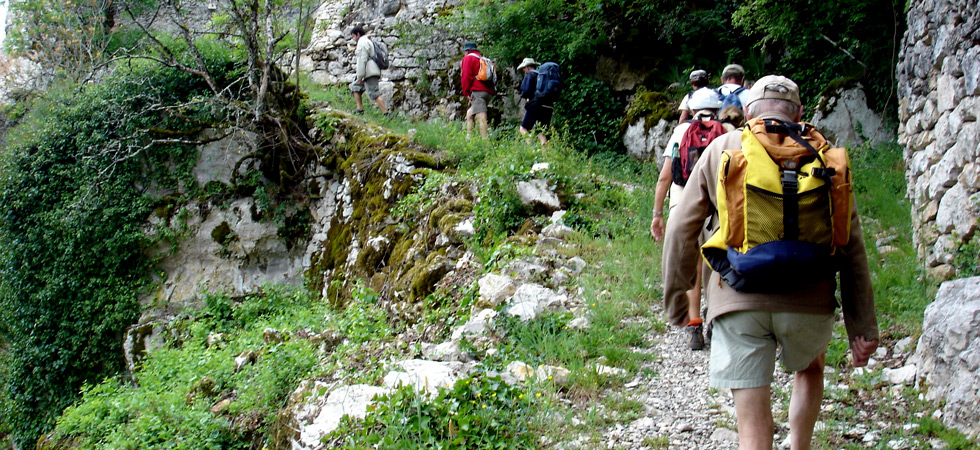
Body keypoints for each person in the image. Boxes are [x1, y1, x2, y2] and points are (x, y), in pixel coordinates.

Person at [662, 75, 879, 450]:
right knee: (810, 368)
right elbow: (852, 244)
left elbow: (682, 227)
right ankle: (800, 445)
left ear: (748, 112)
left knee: (751, 422)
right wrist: (863, 326)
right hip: (810, 297)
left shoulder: (723, 147)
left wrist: (677, 301)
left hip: (738, 296)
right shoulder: (824, 154)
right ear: (800, 112)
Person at [651, 87, 734, 350]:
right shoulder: (728, 132)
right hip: (717, 206)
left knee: (691, 265)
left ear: (693, 108)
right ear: (718, 108)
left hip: (684, 202)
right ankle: (715, 318)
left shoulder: (681, 131)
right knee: (715, 263)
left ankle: (693, 325)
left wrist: (657, 213)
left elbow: (665, 176)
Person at [349, 26, 391, 118]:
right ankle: (359, 109)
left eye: (353, 36)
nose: (353, 39)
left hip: (369, 72)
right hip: (370, 71)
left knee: (374, 93)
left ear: (358, 34)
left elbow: (362, 60)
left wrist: (360, 76)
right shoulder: (368, 41)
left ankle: (386, 114)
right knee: (356, 87)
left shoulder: (362, 43)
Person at [461, 42, 495, 138]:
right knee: (470, 114)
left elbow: (465, 77)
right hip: (488, 91)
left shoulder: (468, 58)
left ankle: (485, 141)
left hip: (478, 91)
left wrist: (466, 92)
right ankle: (469, 138)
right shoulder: (482, 58)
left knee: (481, 116)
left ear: (467, 51)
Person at [516, 57, 552, 145]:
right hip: (548, 105)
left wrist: (527, 98)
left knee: (523, 128)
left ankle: (532, 149)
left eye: (524, 68)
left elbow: (526, 91)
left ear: (527, 67)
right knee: (541, 132)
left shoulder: (530, 74)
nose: (524, 71)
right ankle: (545, 152)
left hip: (536, 105)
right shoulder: (543, 76)